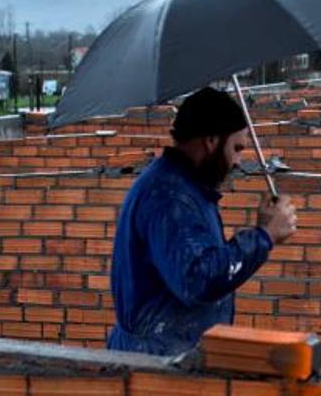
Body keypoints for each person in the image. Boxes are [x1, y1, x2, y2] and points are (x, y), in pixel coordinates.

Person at [107, 86, 297, 355]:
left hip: (166, 356)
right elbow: (198, 279)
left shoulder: (183, 187)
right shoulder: (170, 198)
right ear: (211, 140)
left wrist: (265, 229)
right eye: (237, 148)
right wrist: (265, 236)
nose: (238, 161)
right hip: (156, 366)